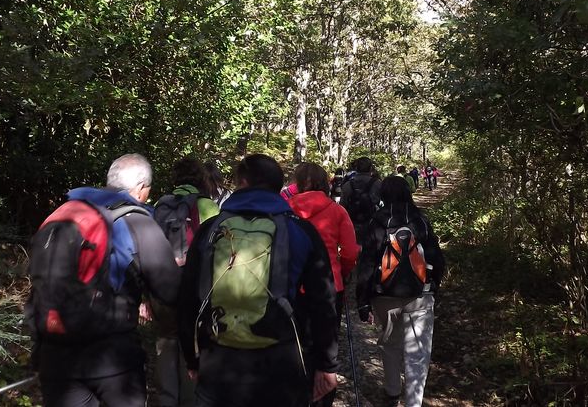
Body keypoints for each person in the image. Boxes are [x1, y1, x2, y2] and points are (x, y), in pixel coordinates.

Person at [179, 154, 340, 407]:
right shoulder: (299, 230)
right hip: (281, 365)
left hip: (218, 362)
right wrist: (327, 364)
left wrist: (192, 357)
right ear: (278, 186)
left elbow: (188, 298)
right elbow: (324, 301)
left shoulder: (210, 230)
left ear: (242, 183)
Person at [31, 154, 180, 407]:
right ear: (141, 188)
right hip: (113, 359)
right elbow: (170, 290)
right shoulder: (137, 221)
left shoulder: (65, 211)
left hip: (55, 352)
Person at [355, 176, 445, 407]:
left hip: (384, 295)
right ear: (408, 192)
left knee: (390, 344)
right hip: (420, 294)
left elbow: (366, 264)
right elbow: (436, 257)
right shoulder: (420, 219)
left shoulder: (377, 221)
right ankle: (413, 402)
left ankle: (392, 391)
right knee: (418, 352)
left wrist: (363, 301)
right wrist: (434, 285)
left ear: (382, 195)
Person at [287, 162, 359, 407]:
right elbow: (350, 252)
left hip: (293, 286)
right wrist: (343, 273)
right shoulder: (337, 211)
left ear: (298, 183)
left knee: (296, 344)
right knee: (327, 344)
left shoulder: (285, 210)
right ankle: (322, 398)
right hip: (329, 285)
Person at [151, 157, 221, 407]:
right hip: (195, 289)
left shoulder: (161, 204)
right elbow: (218, 249)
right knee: (192, 345)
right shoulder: (207, 206)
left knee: (165, 342)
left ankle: (166, 400)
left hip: (162, 287)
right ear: (201, 179)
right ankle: (190, 400)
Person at [338, 156, 381, 238]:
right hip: (372, 224)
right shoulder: (377, 184)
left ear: (356, 168)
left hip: (352, 224)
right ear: (371, 168)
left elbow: (342, 206)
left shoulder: (348, 185)